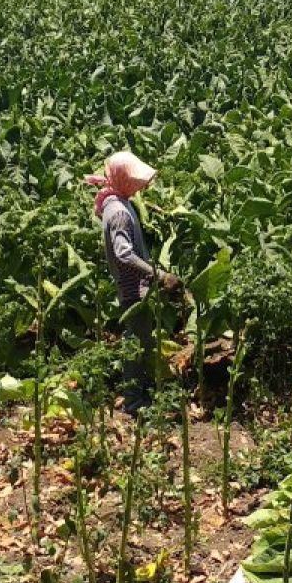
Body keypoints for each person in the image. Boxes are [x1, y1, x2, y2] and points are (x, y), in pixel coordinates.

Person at [86, 151, 181, 413]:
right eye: (136, 181)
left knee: (141, 340)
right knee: (135, 342)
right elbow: (123, 253)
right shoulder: (118, 212)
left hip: (138, 285)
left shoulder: (117, 201)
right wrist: (159, 275)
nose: (142, 187)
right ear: (124, 179)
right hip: (133, 287)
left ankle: (141, 390)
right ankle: (134, 401)